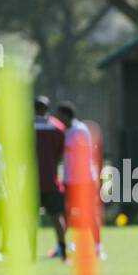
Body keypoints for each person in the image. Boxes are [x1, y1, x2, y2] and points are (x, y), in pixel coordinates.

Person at [54, 103, 104, 259]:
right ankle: (61, 246)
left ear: (66, 116)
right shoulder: (65, 131)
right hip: (70, 180)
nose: (57, 118)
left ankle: (97, 247)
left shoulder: (79, 130)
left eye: (59, 115)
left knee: (89, 213)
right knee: (65, 214)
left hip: (84, 181)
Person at [34, 96, 69, 259]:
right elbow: (60, 155)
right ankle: (63, 251)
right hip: (51, 181)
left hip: (31, 182)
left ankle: (30, 253)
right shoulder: (58, 128)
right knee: (57, 218)